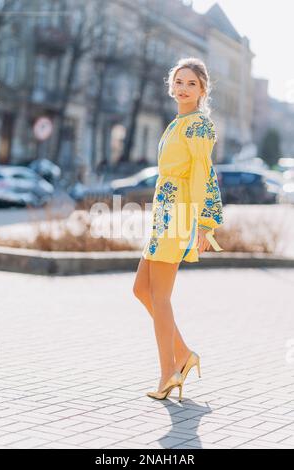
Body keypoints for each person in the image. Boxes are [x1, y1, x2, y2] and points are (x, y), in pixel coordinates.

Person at [133, 57, 224, 402]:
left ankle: (168, 371)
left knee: (160, 296)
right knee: (141, 289)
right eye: (179, 82)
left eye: (192, 83)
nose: (184, 88)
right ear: (171, 85)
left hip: (180, 213)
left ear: (202, 90)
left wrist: (204, 221)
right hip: (165, 212)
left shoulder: (199, 125)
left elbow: (205, 172)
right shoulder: (177, 123)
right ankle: (184, 354)